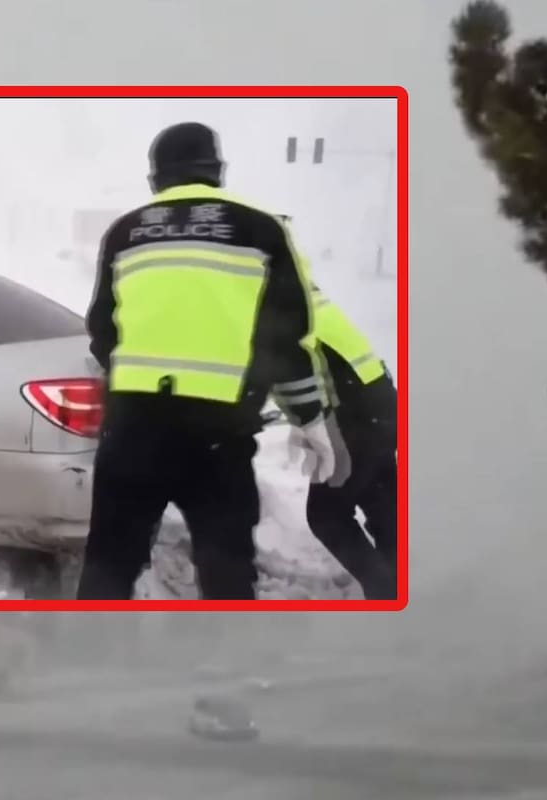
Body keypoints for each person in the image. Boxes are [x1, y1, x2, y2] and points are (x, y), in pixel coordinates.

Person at [77, 121, 344, 601]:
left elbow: (101, 332)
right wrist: (311, 419)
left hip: (132, 431)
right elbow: (285, 340)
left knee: (108, 566)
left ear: (155, 180)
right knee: (225, 571)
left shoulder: (125, 232)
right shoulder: (262, 230)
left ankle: (89, 661)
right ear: (216, 172)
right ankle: (224, 664)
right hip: (217, 437)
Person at [294, 282, 399, 600]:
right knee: (385, 510)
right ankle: (405, 597)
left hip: (348, 416)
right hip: (381, 401)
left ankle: (386, 593)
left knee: (326, 515)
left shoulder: (264, 298)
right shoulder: (301, 287)